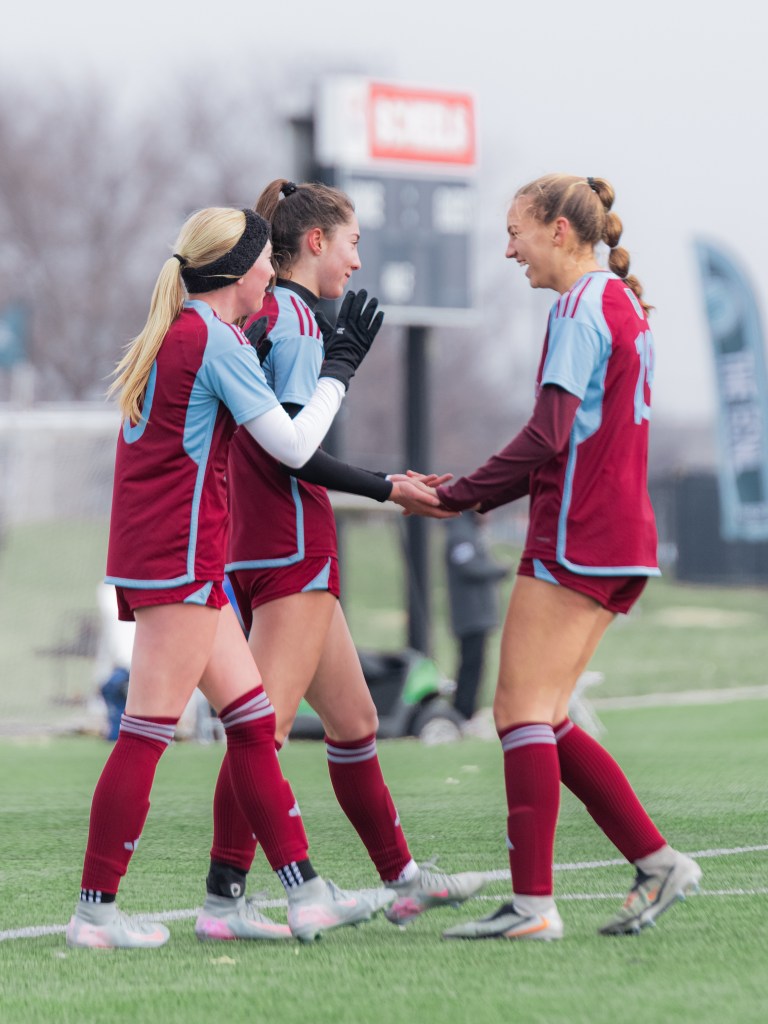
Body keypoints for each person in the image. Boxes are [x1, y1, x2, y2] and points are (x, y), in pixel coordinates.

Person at [66, 205, 395, 950]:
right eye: (263, 262)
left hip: (185, 560)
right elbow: (292, 445)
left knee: (251, 726)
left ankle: (295, 895)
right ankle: (94, 914)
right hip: (179, 561)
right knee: (145, 733)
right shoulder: (212, 338)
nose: (270, 273)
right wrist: (340, 373)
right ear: (246, 271)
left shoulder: (187, 331)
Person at [426, 174, 702, 941]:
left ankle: (532, 905)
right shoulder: (621, 304)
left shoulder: (581, 308)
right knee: (544, 716)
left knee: (517, 712)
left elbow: (549, 436)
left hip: (579, 534)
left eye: (515, 231)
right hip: (621, 538)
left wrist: (458, 495)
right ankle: (657, 863)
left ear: (558, 229)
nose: (507, 248)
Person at [220, 178, 487, 932]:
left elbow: (285, 446)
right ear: (315, 243)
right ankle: (225, 897)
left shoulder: (267, 312)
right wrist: (386, 488)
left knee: (356, 720)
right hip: (290, 542)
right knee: (259, 728)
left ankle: (402, 878)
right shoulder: (300, 321)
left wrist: (384, 482)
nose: (358, 262)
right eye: (353, 243)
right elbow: (299, 454)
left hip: (261, 539)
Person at [443, 511, 510, 725]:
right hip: (470, 614)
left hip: (477, 615)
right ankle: (462, 714)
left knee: (475, 665)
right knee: (470, 666)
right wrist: (498, 569)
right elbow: (469, 567)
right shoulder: (461, 533)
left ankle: (466, 712)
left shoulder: (469, 531)